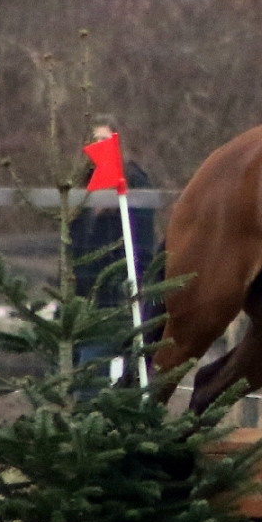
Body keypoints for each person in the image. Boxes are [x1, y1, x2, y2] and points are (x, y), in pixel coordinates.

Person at [70, 118, 155, 383]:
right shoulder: (80, 188)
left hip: (121, 299)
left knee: (125, 377)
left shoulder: (134, 182)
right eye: (94, 141)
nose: (99, 148)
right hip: (86, 301)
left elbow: (142, 243)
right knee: (84, 377)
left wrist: (134, 288)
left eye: (104, 141)